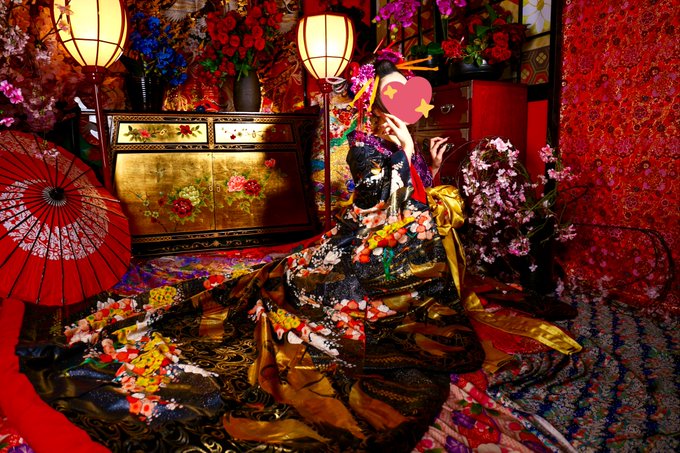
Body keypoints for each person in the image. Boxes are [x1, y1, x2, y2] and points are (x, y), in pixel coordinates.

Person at [16, 51, 580, 453]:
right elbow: (375, 206)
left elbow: (408, 201)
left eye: (404, 94)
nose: (402, 103)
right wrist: (406, 164)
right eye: (392, 93)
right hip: (368, 239)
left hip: (389, 234)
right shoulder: (365, 144)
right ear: (376, 100)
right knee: (299, 293)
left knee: (400, 267)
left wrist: (418, 163)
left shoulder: (397, 140)